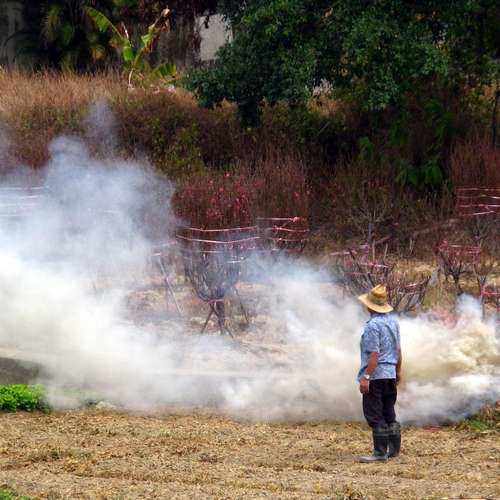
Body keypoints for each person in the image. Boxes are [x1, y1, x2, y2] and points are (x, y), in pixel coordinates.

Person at [357, 284, 402, 463]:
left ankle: (380, 453)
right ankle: (394, 449)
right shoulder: (393, 322)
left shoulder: (372, 326)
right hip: (390, 373)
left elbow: (374, 354)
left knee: (375, 414)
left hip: (376, 375)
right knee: (389, 411)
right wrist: (398, 371)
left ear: (370, 307)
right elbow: (398, 350)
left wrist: (366, 377)